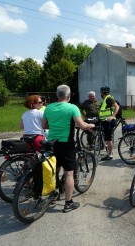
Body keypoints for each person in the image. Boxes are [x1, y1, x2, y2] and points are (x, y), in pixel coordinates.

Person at [42, 85, 95, 213]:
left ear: (57, 94)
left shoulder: (49, 107)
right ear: (69, 95)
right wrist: (90, 125)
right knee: (69, 173)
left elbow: (43, 125)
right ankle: (68, 203)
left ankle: (54, 193)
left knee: (55, 168)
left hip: (51, 142)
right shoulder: (72, 107)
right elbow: (81, 125)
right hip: (66, 144)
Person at [99, 86, 120, 160]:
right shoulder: (106, 99)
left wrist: (112, 116)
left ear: (102, 92)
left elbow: (117, 107)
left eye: (101, 92)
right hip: (105, 121)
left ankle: (110, 154)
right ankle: (109, 152)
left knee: (108, 139)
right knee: (108, 138)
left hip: (108, 121)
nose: (100, 94)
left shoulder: (108, 98)